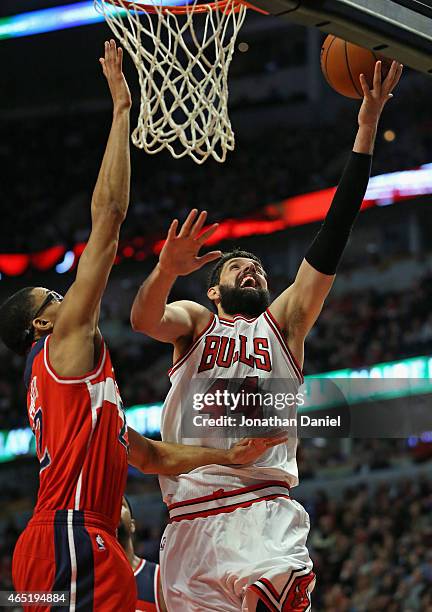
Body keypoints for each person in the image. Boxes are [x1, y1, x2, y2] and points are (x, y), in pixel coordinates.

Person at [0, 41, 285, 612]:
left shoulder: (76, 401)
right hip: (75, 536)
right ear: (41, 321)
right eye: (56, 296)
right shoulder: (63, 344)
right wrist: (122, 111)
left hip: (50, 545)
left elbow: (151, 457)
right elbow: (106, 220)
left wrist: (226, 459)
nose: (70, 299)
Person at [130, 60, 403, 611]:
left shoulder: (285, 323)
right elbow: (142, 321)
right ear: (212, 290)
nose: (251, 269)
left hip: (261, 510)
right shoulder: (196, 322)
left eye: (257, 266)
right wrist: (164, 271)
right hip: (188, 522)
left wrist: (366, 129)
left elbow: (333, 234)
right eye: (237, 267)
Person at [118, 496, 167, 612]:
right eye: (108, 507)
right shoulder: (78, 581)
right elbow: (64, 600)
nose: (113, 510)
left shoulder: (160, 578)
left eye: (119, 504)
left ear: (132, 525)